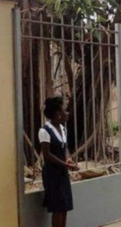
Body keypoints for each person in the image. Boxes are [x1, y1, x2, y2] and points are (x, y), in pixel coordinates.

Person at [39, 96, 80, 227]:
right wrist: (66, 164)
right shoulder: (44, 131)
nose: (66, 113)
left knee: (64, 206)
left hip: (62, 173)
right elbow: (47, 154)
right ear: (57, 114)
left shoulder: (62, 129)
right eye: (64, 111)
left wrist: (68, 158)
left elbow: (65, 147)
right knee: (57, 208)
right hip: (52, 174)